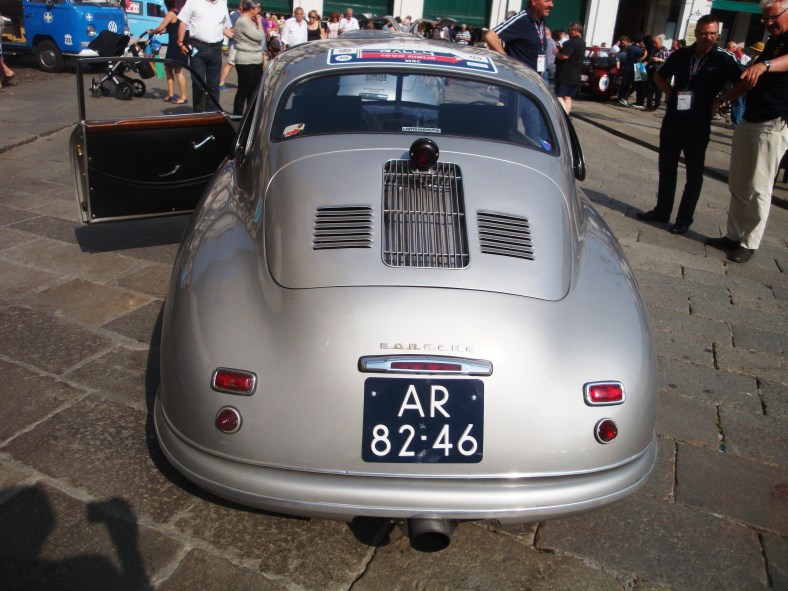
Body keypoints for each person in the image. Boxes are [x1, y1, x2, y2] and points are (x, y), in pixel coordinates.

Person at [636, 15, 743, 235]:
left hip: (699, 123)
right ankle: (662, 210)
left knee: (694, 174)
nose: (708, 38)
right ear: (696, 34)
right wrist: (672, 94)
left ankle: (684, 219)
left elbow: (743, 82)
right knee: (667, 167)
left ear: (717, 35)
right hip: (674, 120)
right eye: (704, 33)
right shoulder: (682, 54)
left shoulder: (723, 58)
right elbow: (659, 76)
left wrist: (722, 100)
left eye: (712, 34)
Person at [706, 0, 788, 263]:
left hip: (773, 122)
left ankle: (749, 242)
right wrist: (724, 98)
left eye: (773, 17)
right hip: (750, 119)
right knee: (739, 182)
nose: (768, 23)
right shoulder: (772, 42)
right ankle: (733, 235)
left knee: (759, 186)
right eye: (765, 19)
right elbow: (748, 80)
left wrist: (765, 65)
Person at [176, 0, 234, 112]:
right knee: (198, 83)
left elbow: (224, 27)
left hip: (216, 49)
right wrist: (180, 42)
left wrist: (237, 37)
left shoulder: (222, 4)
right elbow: (183, 22)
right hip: (197, 47)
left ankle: (212, 113)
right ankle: (198, 112)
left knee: (214, 84)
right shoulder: (193, 2)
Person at [482, 0, 554, 75]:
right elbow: (490, 36)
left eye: (552, 1)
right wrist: (507, 61)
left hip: (534, 78)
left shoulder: (541, 22)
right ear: (534, 2)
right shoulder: (522, 19)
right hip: (518, 77)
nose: (551, 5)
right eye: (547, 1)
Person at [147, 0, 188, 104]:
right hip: (175, 45)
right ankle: (170, 94)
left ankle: (183, 97)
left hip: (175, 46)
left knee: (178, 71)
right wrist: (162, 31)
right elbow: (171, 29)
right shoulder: (178, 13)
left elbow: (161, 27)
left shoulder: (171, 14)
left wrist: (152, 31)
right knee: (168, 69)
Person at [231, 0, 264, 116]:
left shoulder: (251, 20)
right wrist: (259, 22)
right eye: (258, 8)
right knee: (243, 91)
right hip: (245, 61)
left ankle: (251, 117)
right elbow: (260, 36)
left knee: (254, 92)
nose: (259, 10)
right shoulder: (242, 21)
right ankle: (237, 116)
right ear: (251, 9)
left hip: (256, 59)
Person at [553, 21, 585, 114]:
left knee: (558, 96)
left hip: (565, 74)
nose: (568, 31)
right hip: (576, 74)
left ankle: (564, 116)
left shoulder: (571, 42)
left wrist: (557, 53)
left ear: (575, 30)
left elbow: (565, 56)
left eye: (570, 29)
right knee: (568, 97)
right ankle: (567, 115)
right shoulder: (582, 42)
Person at [218, 2, 243, 92]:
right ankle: (221, 83)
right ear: (241, 6)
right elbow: (229, 28)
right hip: (234, 43)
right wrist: (240, 30)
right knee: (231, 63)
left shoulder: (241, 15)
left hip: (239, 43)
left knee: (239, 64)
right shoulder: (235, 15)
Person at [617, 35, 643, 106]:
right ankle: (624, 98)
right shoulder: (638, 49)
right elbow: (638, 61)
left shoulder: (629, 47)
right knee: (634, 85)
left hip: (627, 67)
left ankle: (620, 98)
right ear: (640, 42)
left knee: (625, 85)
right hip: (635, 68)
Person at [645, 35, 669, 110]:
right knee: (649, 88)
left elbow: (667, 61)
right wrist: (650, 61)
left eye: (656, 43)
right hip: (651, 70)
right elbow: (650, 59)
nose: (654, 45)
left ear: (660, 42)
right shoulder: (653, 50)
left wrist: (658, 59)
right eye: (653, 43)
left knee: (658, 89)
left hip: (659, 72)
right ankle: (649, 105)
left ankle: (656, 105)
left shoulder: (665, 50)